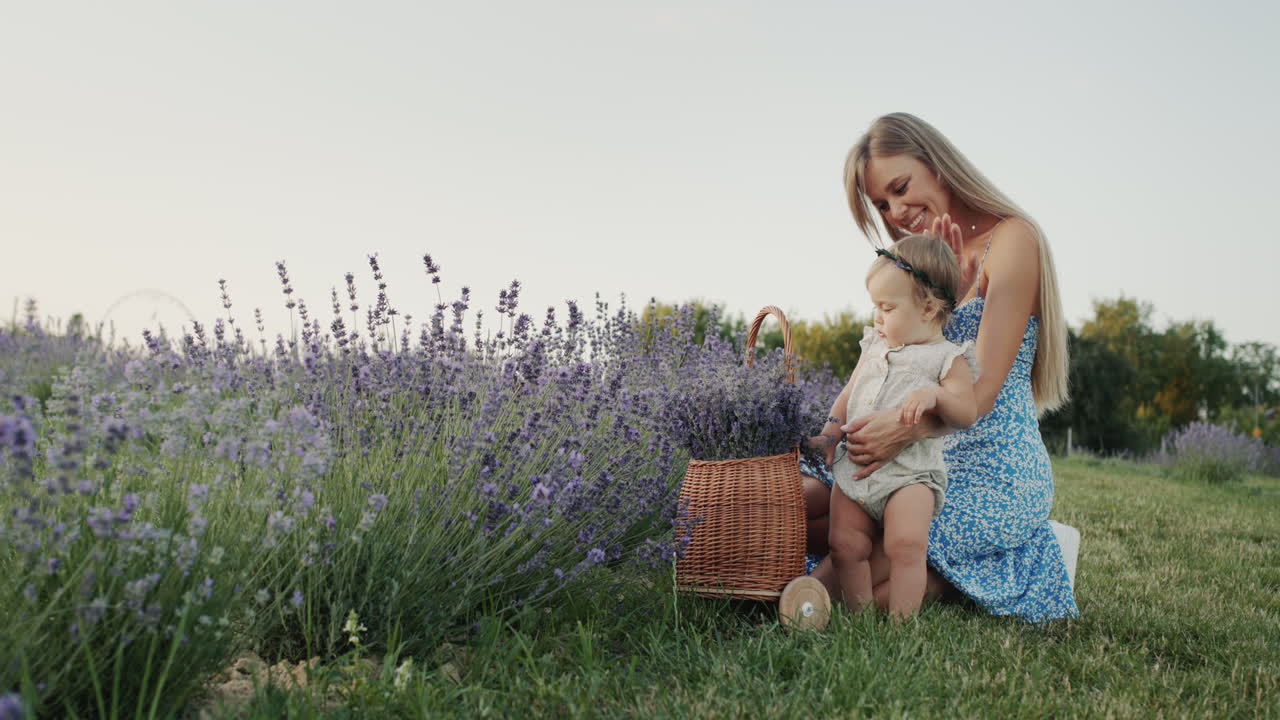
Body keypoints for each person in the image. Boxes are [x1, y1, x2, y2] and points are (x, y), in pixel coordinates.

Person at [805, 112, 1079, 623]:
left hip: (992, 464)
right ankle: (962, 569)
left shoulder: (1013, 240)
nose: (896, 210)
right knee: (809, 505)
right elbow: (888, 357)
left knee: (883, 556)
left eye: (901, 187)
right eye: (882, 204)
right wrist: (838, 432)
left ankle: (809, 598)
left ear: (936, 162)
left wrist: (900, 432)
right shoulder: (919, 260)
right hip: (925, 450)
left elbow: (981, 392)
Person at [806, 234, 976, 619]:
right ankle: (859, 616)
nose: (877, 317)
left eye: (887, 307)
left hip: (911, 476)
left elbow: (966, 411)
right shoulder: (873, 346)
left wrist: (935, 395)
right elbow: (849, 393)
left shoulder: (947, 358)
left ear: (929, 308)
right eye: (875, 307)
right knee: (845, 544)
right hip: (856, 468)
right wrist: (832, 431)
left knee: (906, 546)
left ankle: (902, 622)